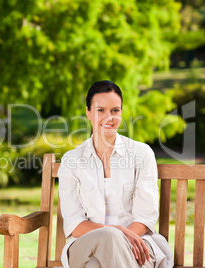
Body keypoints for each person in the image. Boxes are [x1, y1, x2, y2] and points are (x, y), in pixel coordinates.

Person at [58, 80, 173, 268]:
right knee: (107, 239)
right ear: (88, 112)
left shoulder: (141, 154)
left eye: (115, 110)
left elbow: (145, 217)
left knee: (95, 265)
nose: (108, 117)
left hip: (137, 245)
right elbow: (75, 224)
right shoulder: (72, 160)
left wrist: (121, 236)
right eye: (100, 110)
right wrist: (114, 231)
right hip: (85, 245)